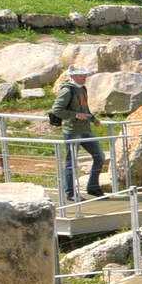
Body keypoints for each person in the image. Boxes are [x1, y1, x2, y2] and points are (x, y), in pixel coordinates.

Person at [51, 68, 105, 199]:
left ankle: (93, 187)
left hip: (85, 130)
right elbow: (56, 109)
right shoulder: (67, 90)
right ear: (73, 76)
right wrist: (75, 115)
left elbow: (84, 107)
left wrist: (92, 118)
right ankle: (70, 193)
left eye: (85, 75)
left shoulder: (82, 88)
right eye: (81, 75)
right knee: (71, 162)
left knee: (99, 156)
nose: (84, 78)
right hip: (72, 131)